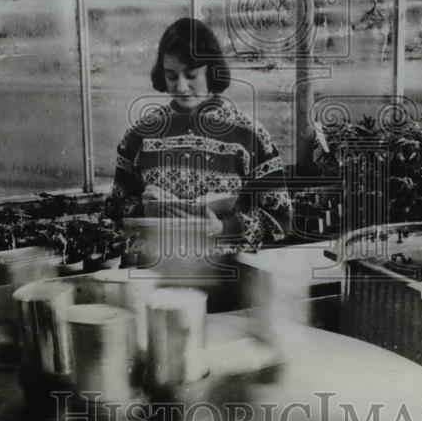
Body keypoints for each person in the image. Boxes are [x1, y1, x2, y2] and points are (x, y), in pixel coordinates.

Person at [105, 18, 292, 252]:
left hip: (227, 275)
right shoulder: (139, 136)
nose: (181, 87)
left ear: (211, 71)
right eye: (171, 76)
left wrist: (223, 226)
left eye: (191, 75)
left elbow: (280, 219)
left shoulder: (250, 136)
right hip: (156, 274)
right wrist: (143, 208)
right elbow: (113, 211)